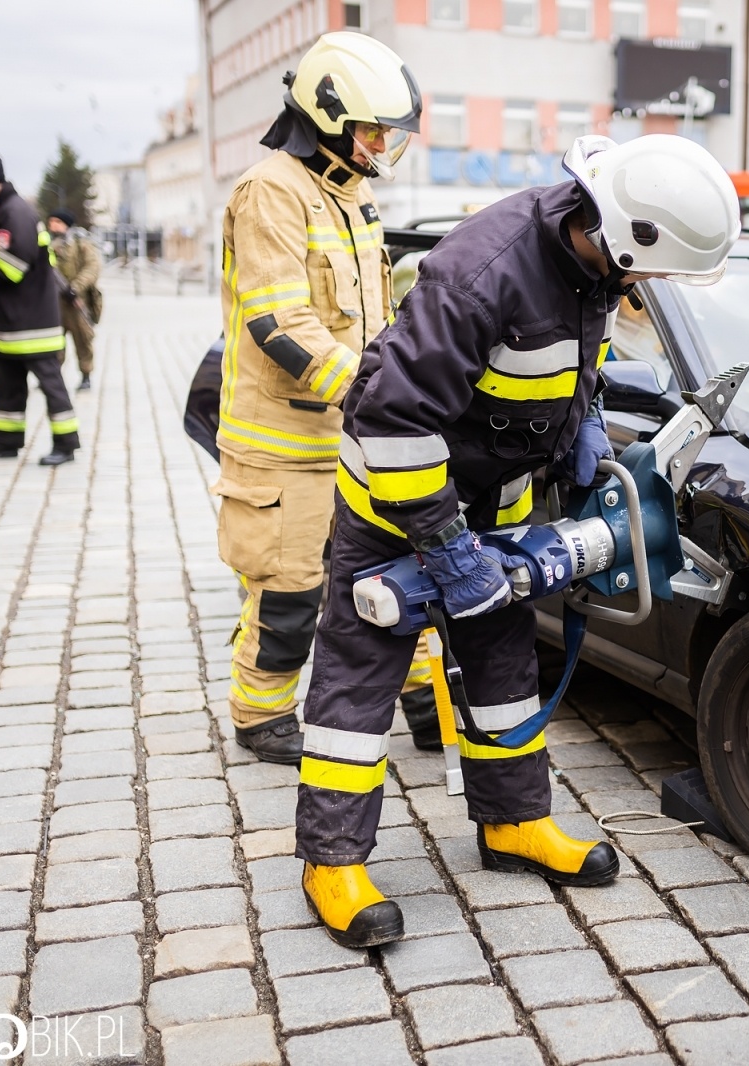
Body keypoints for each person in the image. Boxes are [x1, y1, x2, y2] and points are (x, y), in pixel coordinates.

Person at [295, 133, 741, 947]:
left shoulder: (592, 266)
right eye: (649, 268)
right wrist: (444, 549)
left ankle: (514, 823)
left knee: (503, 665)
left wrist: (587, 431)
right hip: (395, 501)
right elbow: (390, 417)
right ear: (619, 233)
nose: (647, 285)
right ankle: (331, 860)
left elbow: (574, 367)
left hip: (492, 497)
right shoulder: (482, 273)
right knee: (359, 677)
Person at [214, 31, 421, 766]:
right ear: (328, 117)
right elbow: (280, 323)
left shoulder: (350, 191)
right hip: (282, 447)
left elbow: (373, 314)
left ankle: (426, 702)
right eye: (372, 132)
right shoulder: (271, 189)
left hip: (351, 431)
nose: (379, 148)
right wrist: (375, 390)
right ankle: (261, 713)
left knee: (399, 574)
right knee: (289, 592)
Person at [0, 153, 80, 467]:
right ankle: (5, 441)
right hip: (10, 321)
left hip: (31, 321)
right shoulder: (4, 212)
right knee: (7, 383)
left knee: (50, 384)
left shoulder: (15, 213)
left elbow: (12, 266)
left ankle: (66, 444)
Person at [47, 209, 101, 391]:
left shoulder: (81, 244)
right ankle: (52, 376)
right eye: (50, 221)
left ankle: (86, 375)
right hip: (54, 303)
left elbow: (92, 268)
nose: (52, 225)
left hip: (77, 301)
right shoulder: (48, 245)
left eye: (56, 221)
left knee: (83, 340)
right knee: (53, 341)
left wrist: (75, 287)